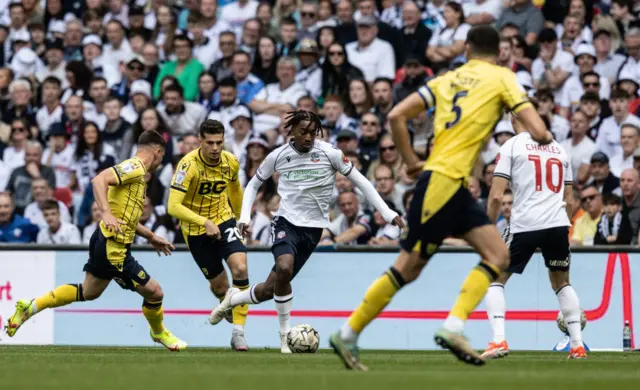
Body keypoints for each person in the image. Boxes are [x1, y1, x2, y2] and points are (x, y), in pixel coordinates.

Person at [329, 25, 552, 369]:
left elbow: (397, 115)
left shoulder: (447, 79)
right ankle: (355, 332)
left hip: (446, 183)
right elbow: (538, 131)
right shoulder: (503, 78)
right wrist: (541, 129)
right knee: (410, 267)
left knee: (495, 255)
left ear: (466, 48)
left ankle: (448, 325)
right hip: (445, 183)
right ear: (500, 51)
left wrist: (413, 161)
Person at [208, 110, 402, 354]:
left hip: (312, 232)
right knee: (285, 268)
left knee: (271, 288)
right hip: (285, 223)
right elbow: (254, 184)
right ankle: (285, 337)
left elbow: (361, 181)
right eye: (304, 132)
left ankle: (233, 299)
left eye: (313, 132)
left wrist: (387, 213)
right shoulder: (278, 155)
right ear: (293, 131)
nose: (309, 137)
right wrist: (245, 216)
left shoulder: (330, 153)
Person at [4, 130, 186, 352]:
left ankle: (30, 307)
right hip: (113, 247)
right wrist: (106, 213)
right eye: (161, 157)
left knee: (88, 292)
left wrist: (150, 236)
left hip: (104, 241)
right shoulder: (135, 166)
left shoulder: (136, 175)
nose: (160, 163)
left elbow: (125, 217)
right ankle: (158, 332)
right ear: (158, 152)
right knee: (155, 292)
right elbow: (99, 179)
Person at [483, 118, 585, 360]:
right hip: (558, 224)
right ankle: (578, 346)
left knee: (494, 278)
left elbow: (497, 195)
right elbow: (569, 200)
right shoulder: (560, 149)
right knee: (562, 283)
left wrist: (486, 229)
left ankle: (498, 340)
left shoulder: (512, 146)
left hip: (526, 223)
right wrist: (562, 226)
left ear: (514, 117)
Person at [167, 119, 250, 351]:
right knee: (220, 286)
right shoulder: (187, 166)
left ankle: (238, 334)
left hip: (223, 220)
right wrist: (203, 222)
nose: (215, 149)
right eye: (210, 143)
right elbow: (172, 207)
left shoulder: (230, 161)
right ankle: (225, 302)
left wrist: (240, 218)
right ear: (200, 141)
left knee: (241, 269)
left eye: (219, 143)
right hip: (196, 230)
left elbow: (234, 189)